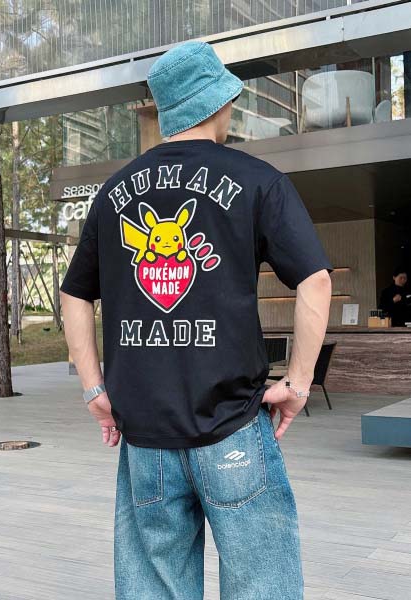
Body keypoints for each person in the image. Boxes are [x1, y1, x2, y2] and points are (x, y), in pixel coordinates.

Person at [60, 40, 333, 600]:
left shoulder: (113, 193)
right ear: (219, 104)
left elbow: (74, 296)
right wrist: (299, 383)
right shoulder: (258, 180)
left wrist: (94, 388)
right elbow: (315, 281)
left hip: (145, 438)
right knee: (263, 588)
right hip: (234, 426)